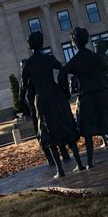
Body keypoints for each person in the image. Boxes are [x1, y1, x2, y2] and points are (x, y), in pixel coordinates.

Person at [20, 32, 85, 178]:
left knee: (49, 130)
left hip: (42, 98)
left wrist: (22, 104)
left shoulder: (28, 64)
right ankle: (79, 163)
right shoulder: (48, 59)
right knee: (66, 124)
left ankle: (60, 170)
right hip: (56, 94)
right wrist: (64, 89)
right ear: (41, 44)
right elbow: (62, 70)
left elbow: (23, 87)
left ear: (30, 46)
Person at [58, 27, 108, 168]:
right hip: (101, 92)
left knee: (87, 130)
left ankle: (90, 162)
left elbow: (61, 75)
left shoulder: (75, 60)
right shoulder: (96, 57)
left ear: (74, 42)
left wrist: (66, 93)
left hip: (86, 96)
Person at [19, 59, 71, 166]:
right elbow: (21, 98)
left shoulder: (30, 80)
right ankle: (54, 158)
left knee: (47, 132)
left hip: (38, 108)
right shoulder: (35, 79)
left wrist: (28, 110)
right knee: (50, 130)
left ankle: (55, 158)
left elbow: (21, 98)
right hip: (39, 108)